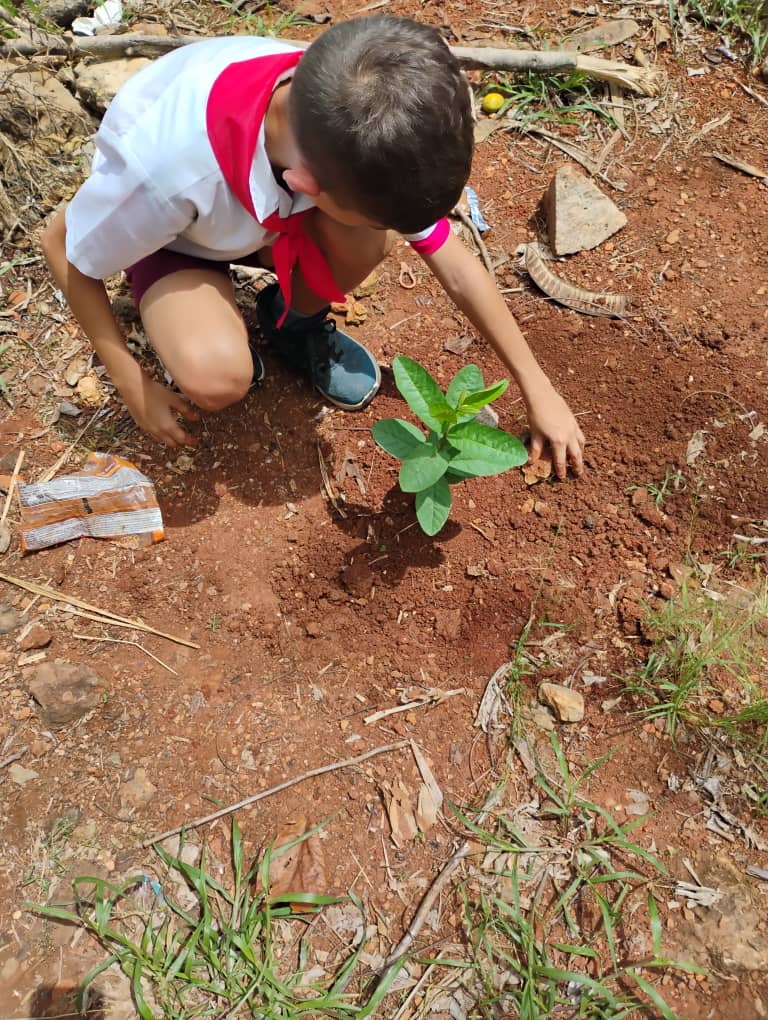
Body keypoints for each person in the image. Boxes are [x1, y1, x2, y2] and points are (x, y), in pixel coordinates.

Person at [42, 15, 585, 478]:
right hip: (177, 238)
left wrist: (537, 386)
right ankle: (200, 299)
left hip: (256, 220)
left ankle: (291, 326)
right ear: (307, 188)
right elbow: (62, 245)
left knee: (366, 238)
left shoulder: (349, 101)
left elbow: (457, 268)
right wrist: (130, 381)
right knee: (217, 376)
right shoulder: (164, 172)